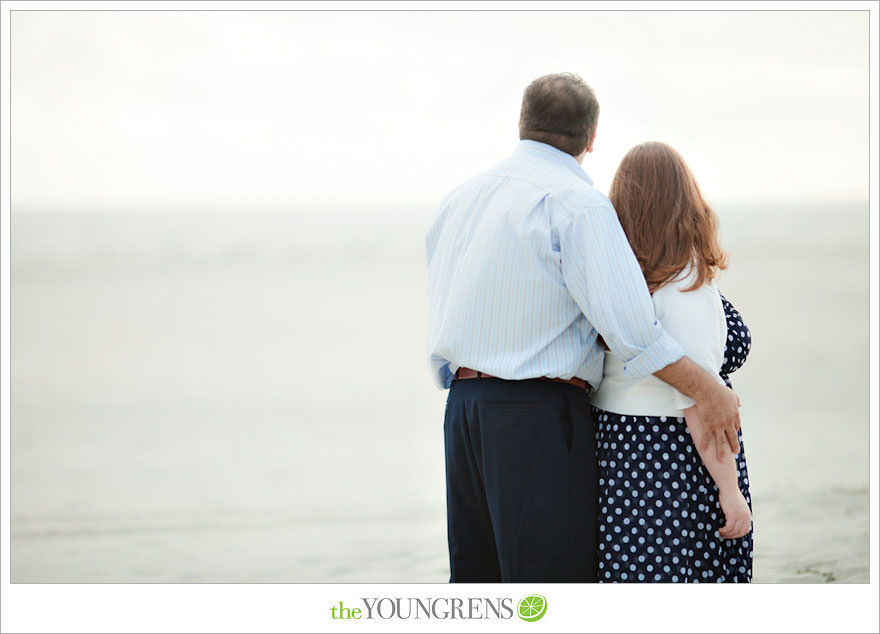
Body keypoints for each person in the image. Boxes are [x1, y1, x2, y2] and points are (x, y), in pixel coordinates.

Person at [425, 73, 741, 583]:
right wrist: (712, 392)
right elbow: (634, 334)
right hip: (535, 413)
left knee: (477, 584)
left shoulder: (460, 198)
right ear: (591, 139)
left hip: (462, 411)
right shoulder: (577, 204)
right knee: (549, 588)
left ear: (522, 125)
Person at [592, 141, 754, 582]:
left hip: (617, 452)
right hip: (671, 458)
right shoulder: (684, 285)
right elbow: (700, 405)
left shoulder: (616, 283)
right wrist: (729, 490)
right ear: (687, 202)